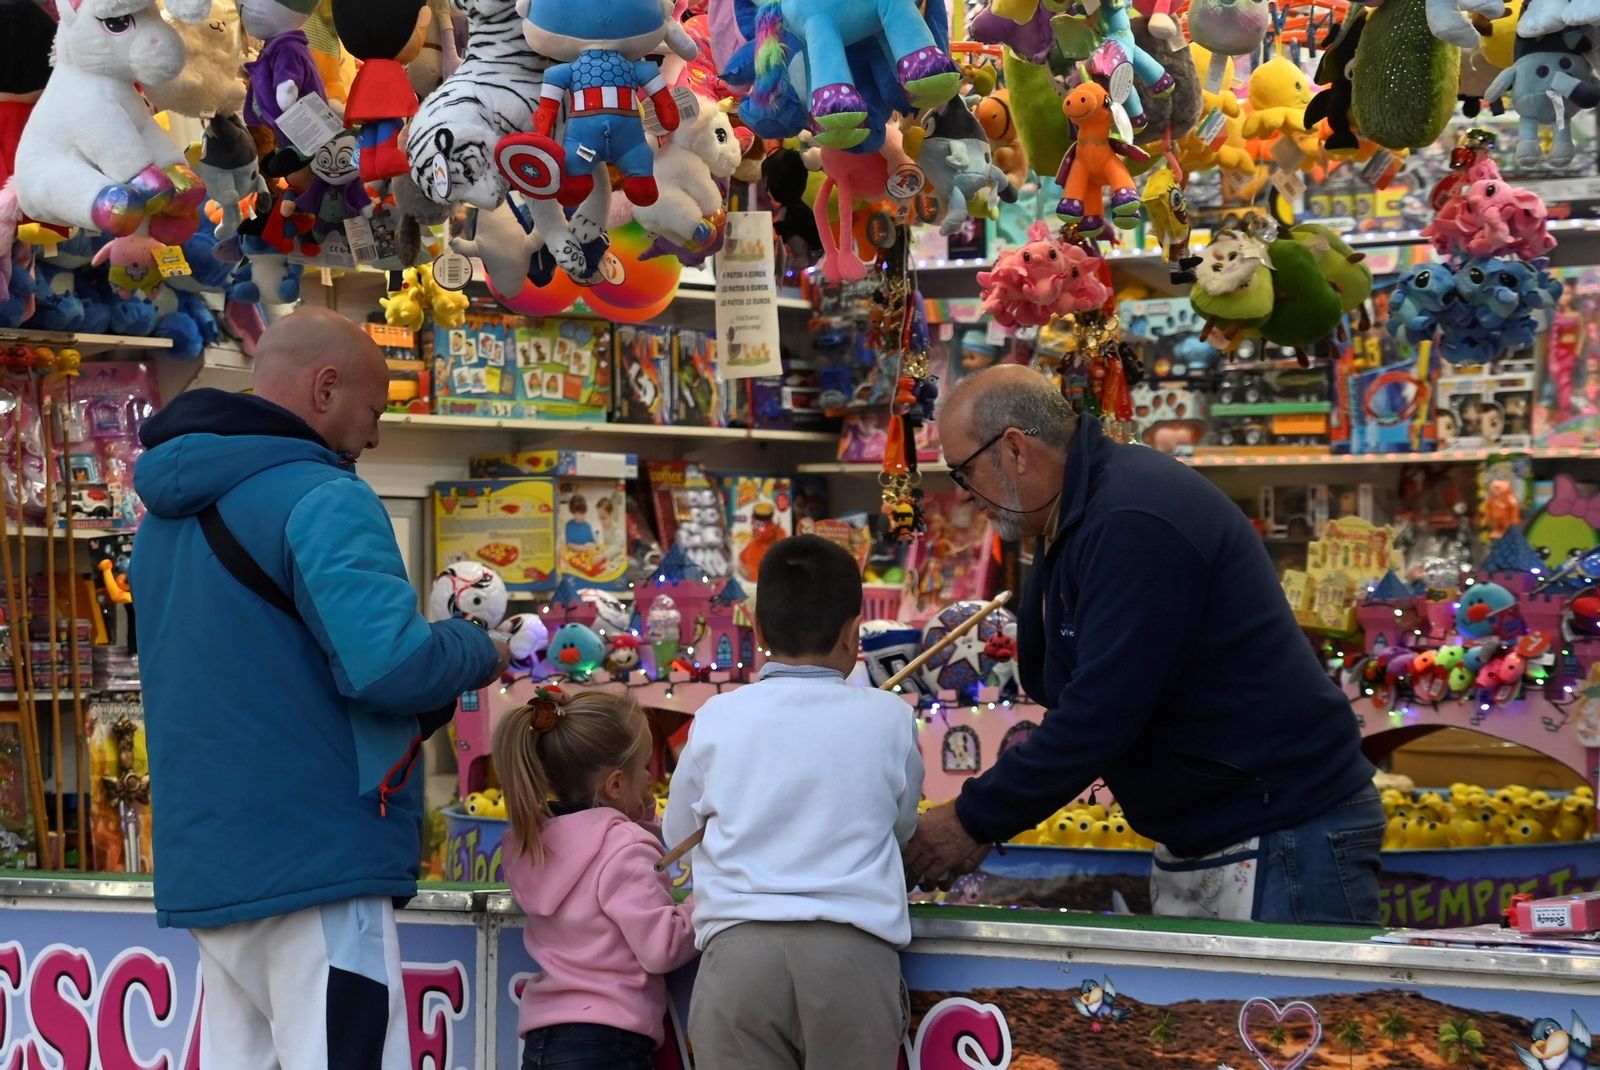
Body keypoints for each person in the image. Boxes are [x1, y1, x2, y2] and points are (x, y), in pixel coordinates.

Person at [133, 307, 510, 1069]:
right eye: (374, 410)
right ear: (326, 386)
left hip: (209, 862)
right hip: (316, 861)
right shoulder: (324, 497)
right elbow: (388, 668)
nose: (375, 435)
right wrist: (476, 647)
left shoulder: (160, 519)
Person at [906, 365, 1380, 925]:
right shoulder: (1080, 514)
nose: (964, 499)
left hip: (1283, 829)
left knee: (1291, 1013)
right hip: (1233, 825)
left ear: (1014, 450)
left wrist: (974, 817)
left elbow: (1104, 710)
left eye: (963, 473)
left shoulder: (1131, 519)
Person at [663, 534, 922, 1067]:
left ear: (757, 631)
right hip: (852, 958)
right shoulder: (891, 718)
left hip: (737, 960)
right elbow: (899, 830)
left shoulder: (715, 717)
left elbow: (677, 835)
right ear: (855, 633)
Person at [494, 687, 697, 1070]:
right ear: (616, 784)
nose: (650, 778)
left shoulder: (534, 843)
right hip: (608, 1040)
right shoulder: (624, 846)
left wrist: (636, 823)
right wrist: (704, 905)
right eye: (643, 769)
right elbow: (661, 948)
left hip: (543, 1041)